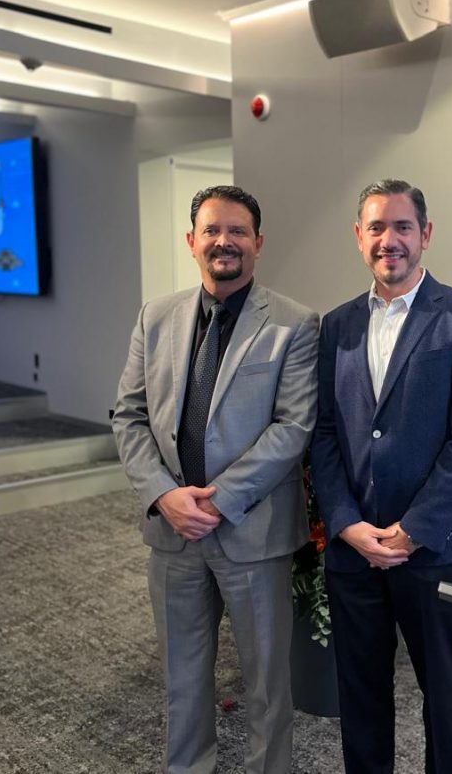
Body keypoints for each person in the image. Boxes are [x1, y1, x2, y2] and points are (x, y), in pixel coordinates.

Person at [113, 185, 317, 774]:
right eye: (211, 230)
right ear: (191, 240)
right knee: (181, 677)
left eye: (237, 231)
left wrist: (218, 501)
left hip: (253, 532)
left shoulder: (294, 323)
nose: (224, 241)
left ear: (258, 242)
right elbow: (128, 415)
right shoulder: (155, 317)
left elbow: (293, 427)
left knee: (266, 684)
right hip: (173, 533)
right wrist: (163, 495)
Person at [310, 178, 452, 774]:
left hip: (434, 549)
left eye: (402, 227)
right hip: (355, 549)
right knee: (361, 696)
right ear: (358, 236)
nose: (388, 240)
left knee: (443, 698)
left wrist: (412, 531)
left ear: (425, 235)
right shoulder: (336, 325)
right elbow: (324, 434)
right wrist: (345, 523)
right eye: (376, 227)